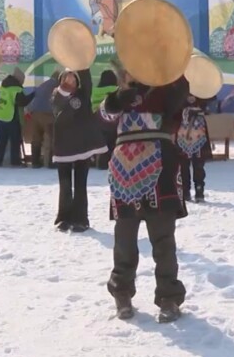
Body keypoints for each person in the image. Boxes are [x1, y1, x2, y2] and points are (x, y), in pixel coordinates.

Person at [101, 70, 190, 322]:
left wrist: (173, 79)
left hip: (160, 164)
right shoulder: (119, 94)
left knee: (163, 239)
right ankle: (122, 292)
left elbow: (177, 110)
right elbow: (103, 118)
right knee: (124, 238)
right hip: (124, 170)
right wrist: (118, 98)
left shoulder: (168, 87)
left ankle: (169, 297)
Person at [50, 68, 106, 232]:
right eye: (67, 77)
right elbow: (57, 105)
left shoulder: (83, 93)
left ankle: (81, 219)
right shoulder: (57, 94)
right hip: (63, 145)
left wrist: (82, 61)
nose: (71, 80)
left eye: (74, 77)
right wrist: (64, 89)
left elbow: (86, 79)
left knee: (80, 184)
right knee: (65, 184)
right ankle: (64, 218)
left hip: (82, 145)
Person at [175, 94, 212, 203]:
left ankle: (199, 190)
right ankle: (185, 191)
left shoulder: (201, 85)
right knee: (183, 164)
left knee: (199, 164)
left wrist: (200, 102)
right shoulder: (179, 86)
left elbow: (210, 96)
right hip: (182, 129)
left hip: (198, 130)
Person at [0, 72, 33, 167]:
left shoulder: (4, 85)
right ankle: (15, 162)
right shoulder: (16, 89)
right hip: (11, 118)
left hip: (1, 116)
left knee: (2, 139)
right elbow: (22, 102)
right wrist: (33, 95)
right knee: (15, 140)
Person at [24, 71, 59, 169]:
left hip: (34, 114)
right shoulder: (57, 86)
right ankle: (50, 163)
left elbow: (34, 98)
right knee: (50, 139)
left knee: (36, 139)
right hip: (48, 115)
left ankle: (35, 162)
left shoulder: (42, 85)